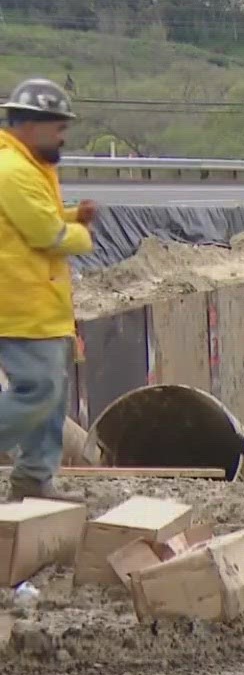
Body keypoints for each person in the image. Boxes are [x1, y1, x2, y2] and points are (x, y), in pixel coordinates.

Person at [0, 78, 95, 503]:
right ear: (30, 124)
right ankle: (32, 476)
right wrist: (80, 233)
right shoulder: (12, 171)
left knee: (52, 401)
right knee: (37, 390)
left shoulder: (33, 167)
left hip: (43, 305)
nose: (62, 136)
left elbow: (42, 217)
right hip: (19, 306)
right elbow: (47, 234)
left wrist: (74, 215)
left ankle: (34, 482)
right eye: (57, 127)